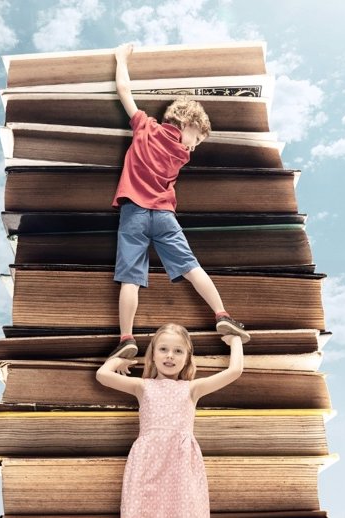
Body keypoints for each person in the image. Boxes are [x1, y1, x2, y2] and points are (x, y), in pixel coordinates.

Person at [110, 42, 250, 359]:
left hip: (133, 213)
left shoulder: (144, 127)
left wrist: (121, 58)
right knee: (191, 267)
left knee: (130, 278)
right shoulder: (180, 157)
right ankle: (221, 315)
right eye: (196, 139)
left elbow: (123, 90)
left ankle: (127, 338)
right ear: (188, 125)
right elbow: (181, 149)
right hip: (163, 215)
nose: (193, 149)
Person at [96, 323, 244, 517]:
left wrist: (235, 340)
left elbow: (235, 371)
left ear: (187, 358)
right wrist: (120, 359)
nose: (170, 356)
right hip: (148, 462)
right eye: (163, 349)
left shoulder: (192, 389)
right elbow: (102, 375)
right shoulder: (142, 387)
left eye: (178, 351)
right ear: (153, 354)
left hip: (180, 466)